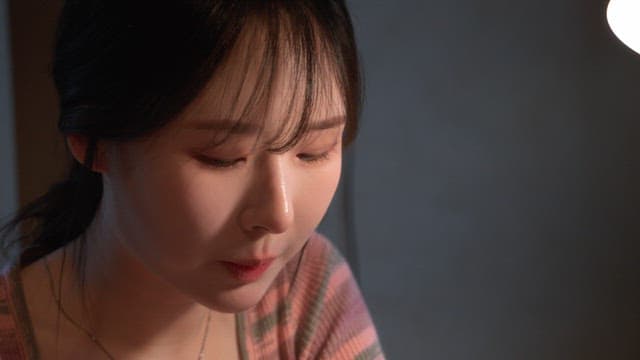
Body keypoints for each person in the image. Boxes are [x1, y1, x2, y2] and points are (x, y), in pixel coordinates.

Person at [0, 1, 384, 359]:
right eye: (223, 157)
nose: (278, 214)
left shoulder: (308, 291)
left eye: (314, 150)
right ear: (92, 142)